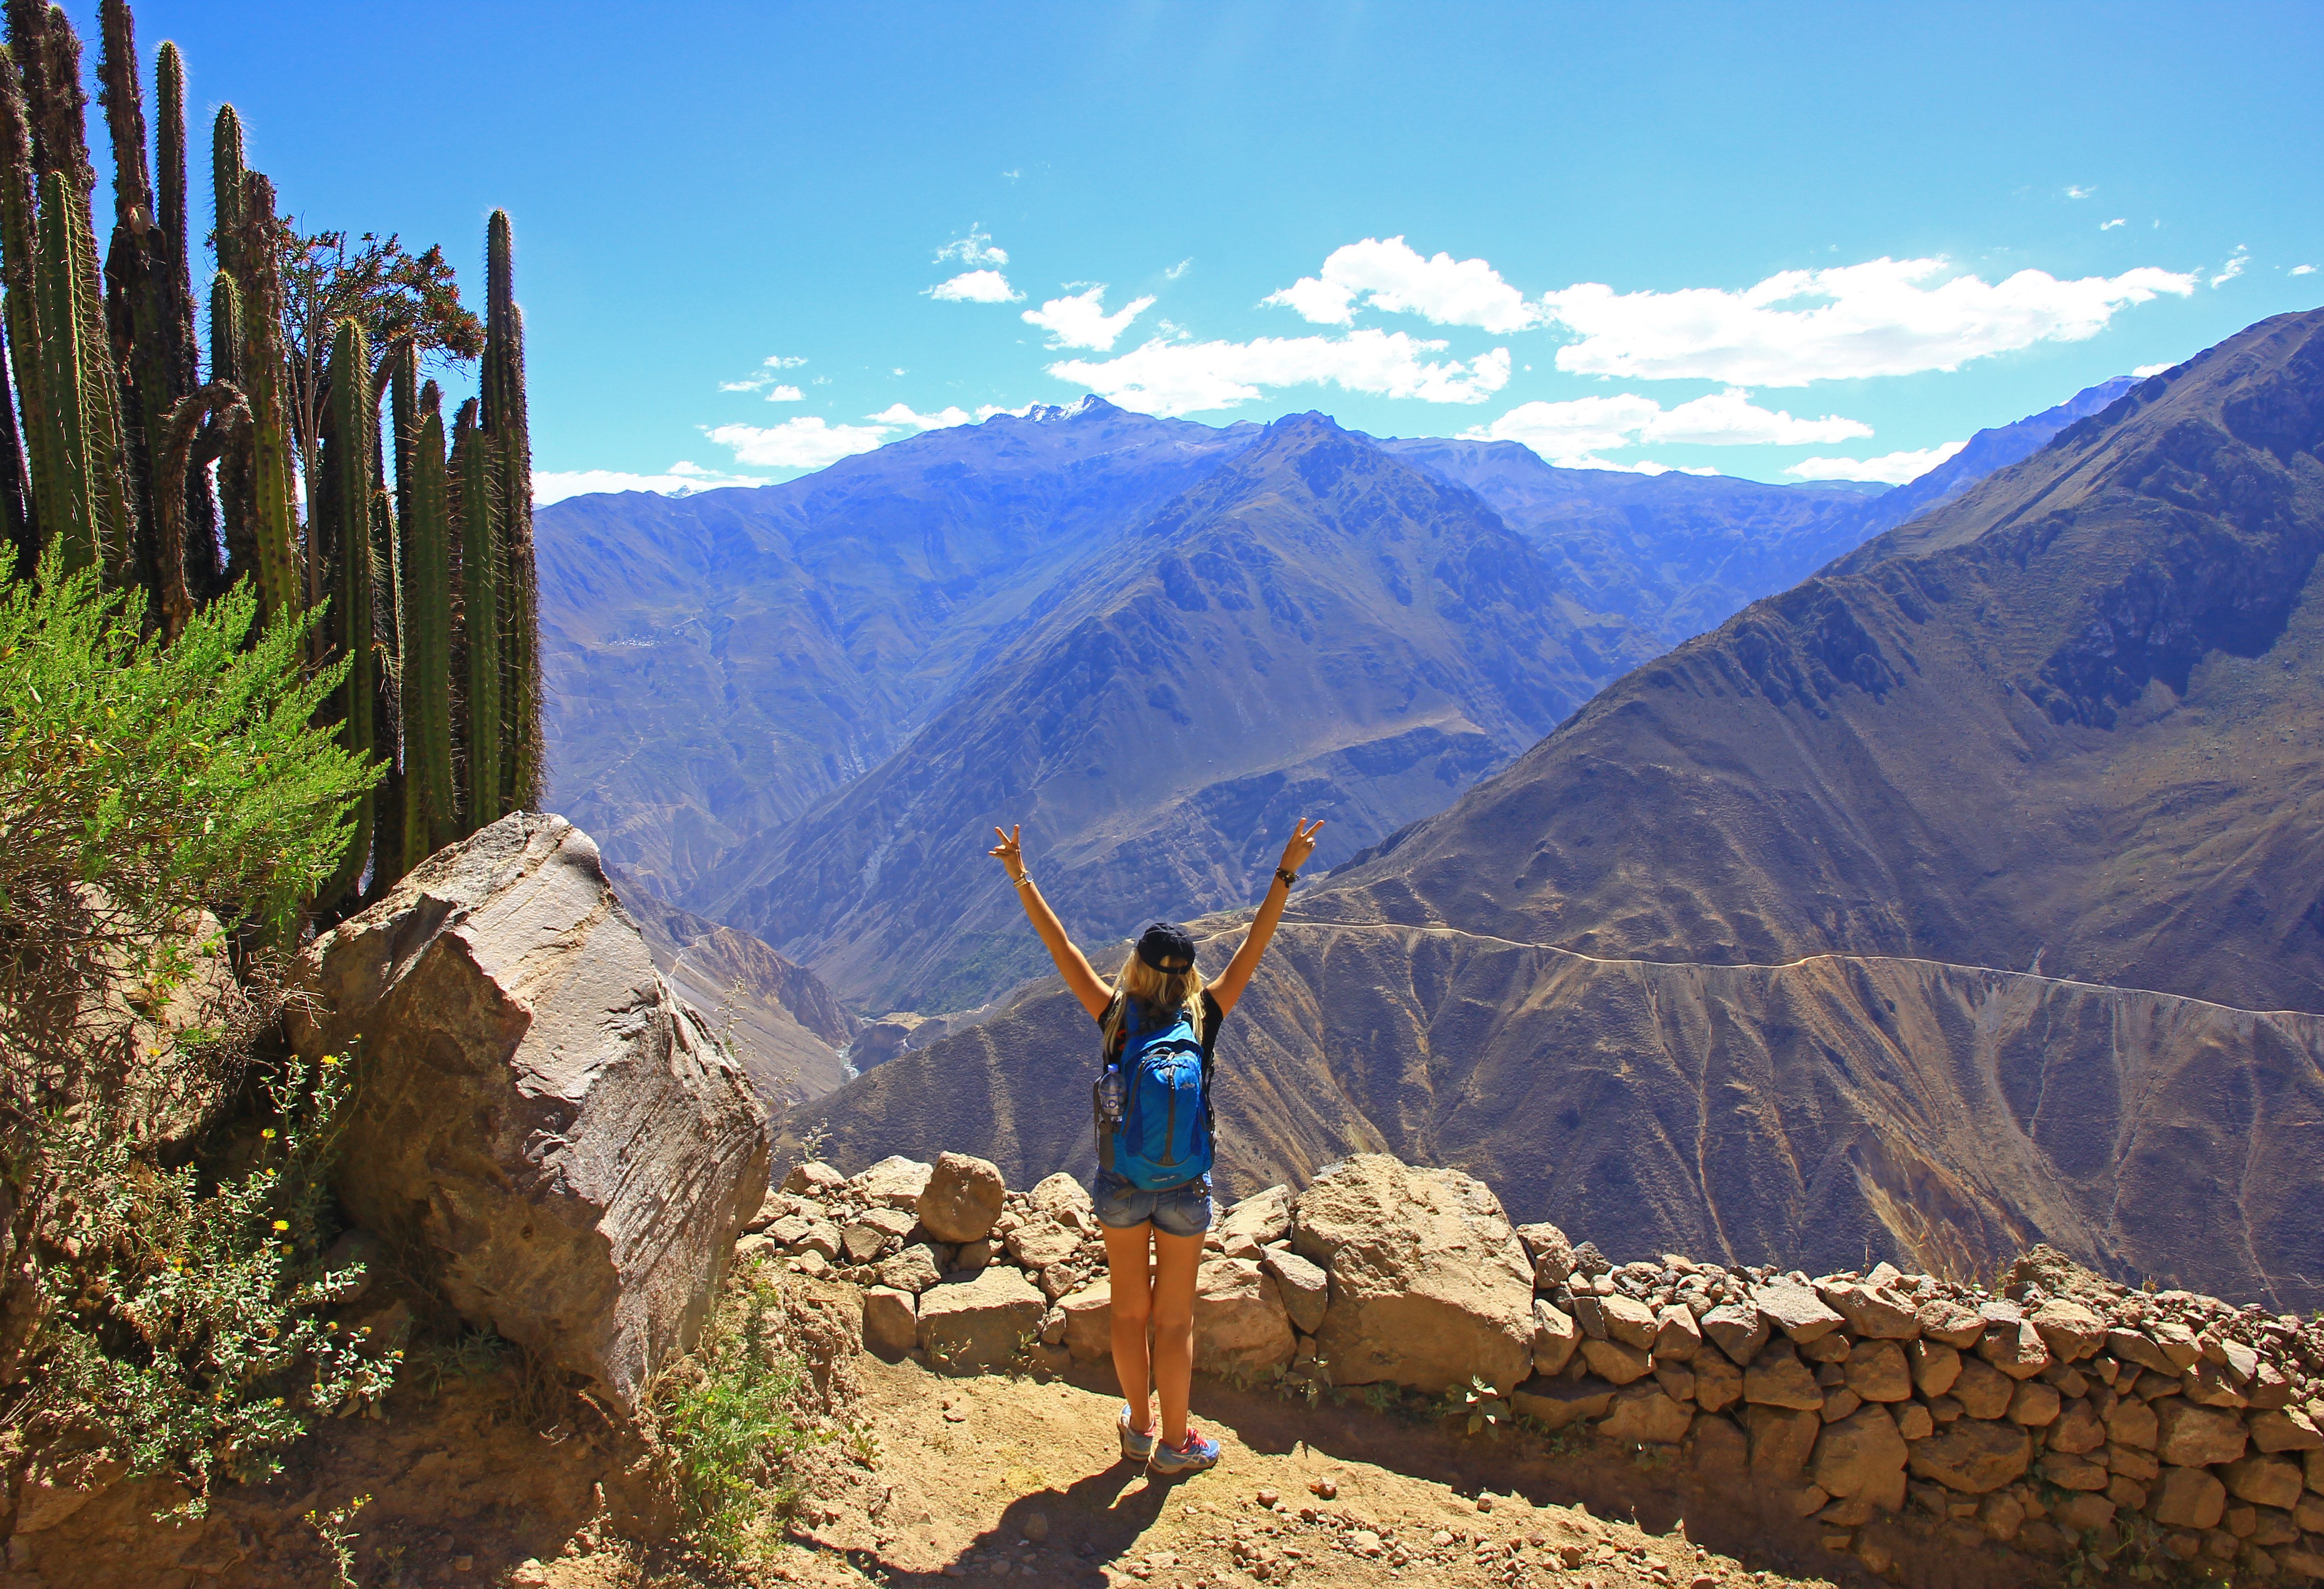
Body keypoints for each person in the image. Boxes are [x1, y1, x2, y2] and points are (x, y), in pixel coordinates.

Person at [987, 818, 1323, 1477]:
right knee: (1173, 1321)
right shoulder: (1208, 1014)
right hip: (1186, 1189)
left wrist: (1021, 876)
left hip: (1120, 1183)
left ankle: (1137, 1429)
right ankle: (1178, 1443)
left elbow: (1060, 950)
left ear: (1136, 967)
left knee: (1127, 1312)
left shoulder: (1114, 1015)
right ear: (1190, 971)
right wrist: (1287, 870)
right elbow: (1258, 940)